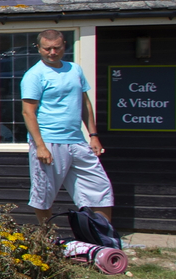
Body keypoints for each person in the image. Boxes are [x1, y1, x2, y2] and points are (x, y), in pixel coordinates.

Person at [19, 29, 113, 234]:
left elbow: (85, 104)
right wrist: (40, 146)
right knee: (44, 193)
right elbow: (28, 112)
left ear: (64, 46)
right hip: (49, 142)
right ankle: (47, 238)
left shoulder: (75, 69)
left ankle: (104, 237)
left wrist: (93, 135)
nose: (52, 52)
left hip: (77, 141)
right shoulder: (34, 75)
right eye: (47, 49)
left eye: (57, 48)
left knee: (100, 187)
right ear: (39, 48)